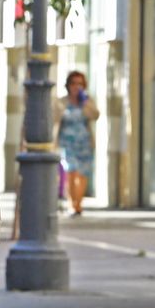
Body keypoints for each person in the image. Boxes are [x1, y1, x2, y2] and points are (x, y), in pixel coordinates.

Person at [56, 70, 99, 216]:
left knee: (83, 173)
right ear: (68, 85)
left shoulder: (87, 101)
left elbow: (95, 115)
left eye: (80, 84)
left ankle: (78, 203)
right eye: (73, 83)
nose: (76, 87)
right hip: (67, 143)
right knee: (71, 172)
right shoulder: (62, 102)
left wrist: (85, 102)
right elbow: (55, 118)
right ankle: (72, 203)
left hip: (84, 142)